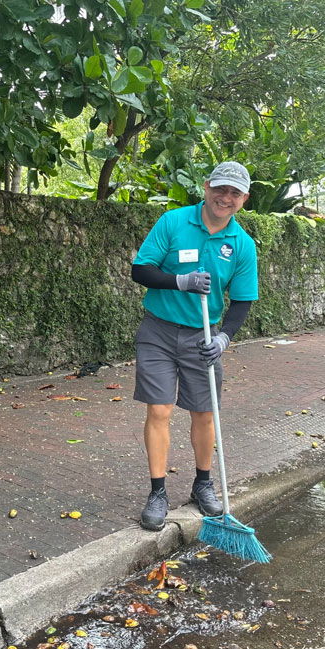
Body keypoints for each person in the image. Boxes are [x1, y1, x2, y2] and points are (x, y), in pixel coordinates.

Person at [130, 161, 258, 531]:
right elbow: (141, 270)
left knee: (205, 413)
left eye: (235, 193)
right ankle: (157, 492)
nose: (226, 197)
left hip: (204, 336)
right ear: (206, 187)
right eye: (220, 189)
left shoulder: (242, 245)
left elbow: (244, 300)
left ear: (244, 199)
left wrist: (223, 338)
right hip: (158, 331)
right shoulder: (173, 222)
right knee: (159, 410)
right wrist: (179, 281)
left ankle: (203, 483)